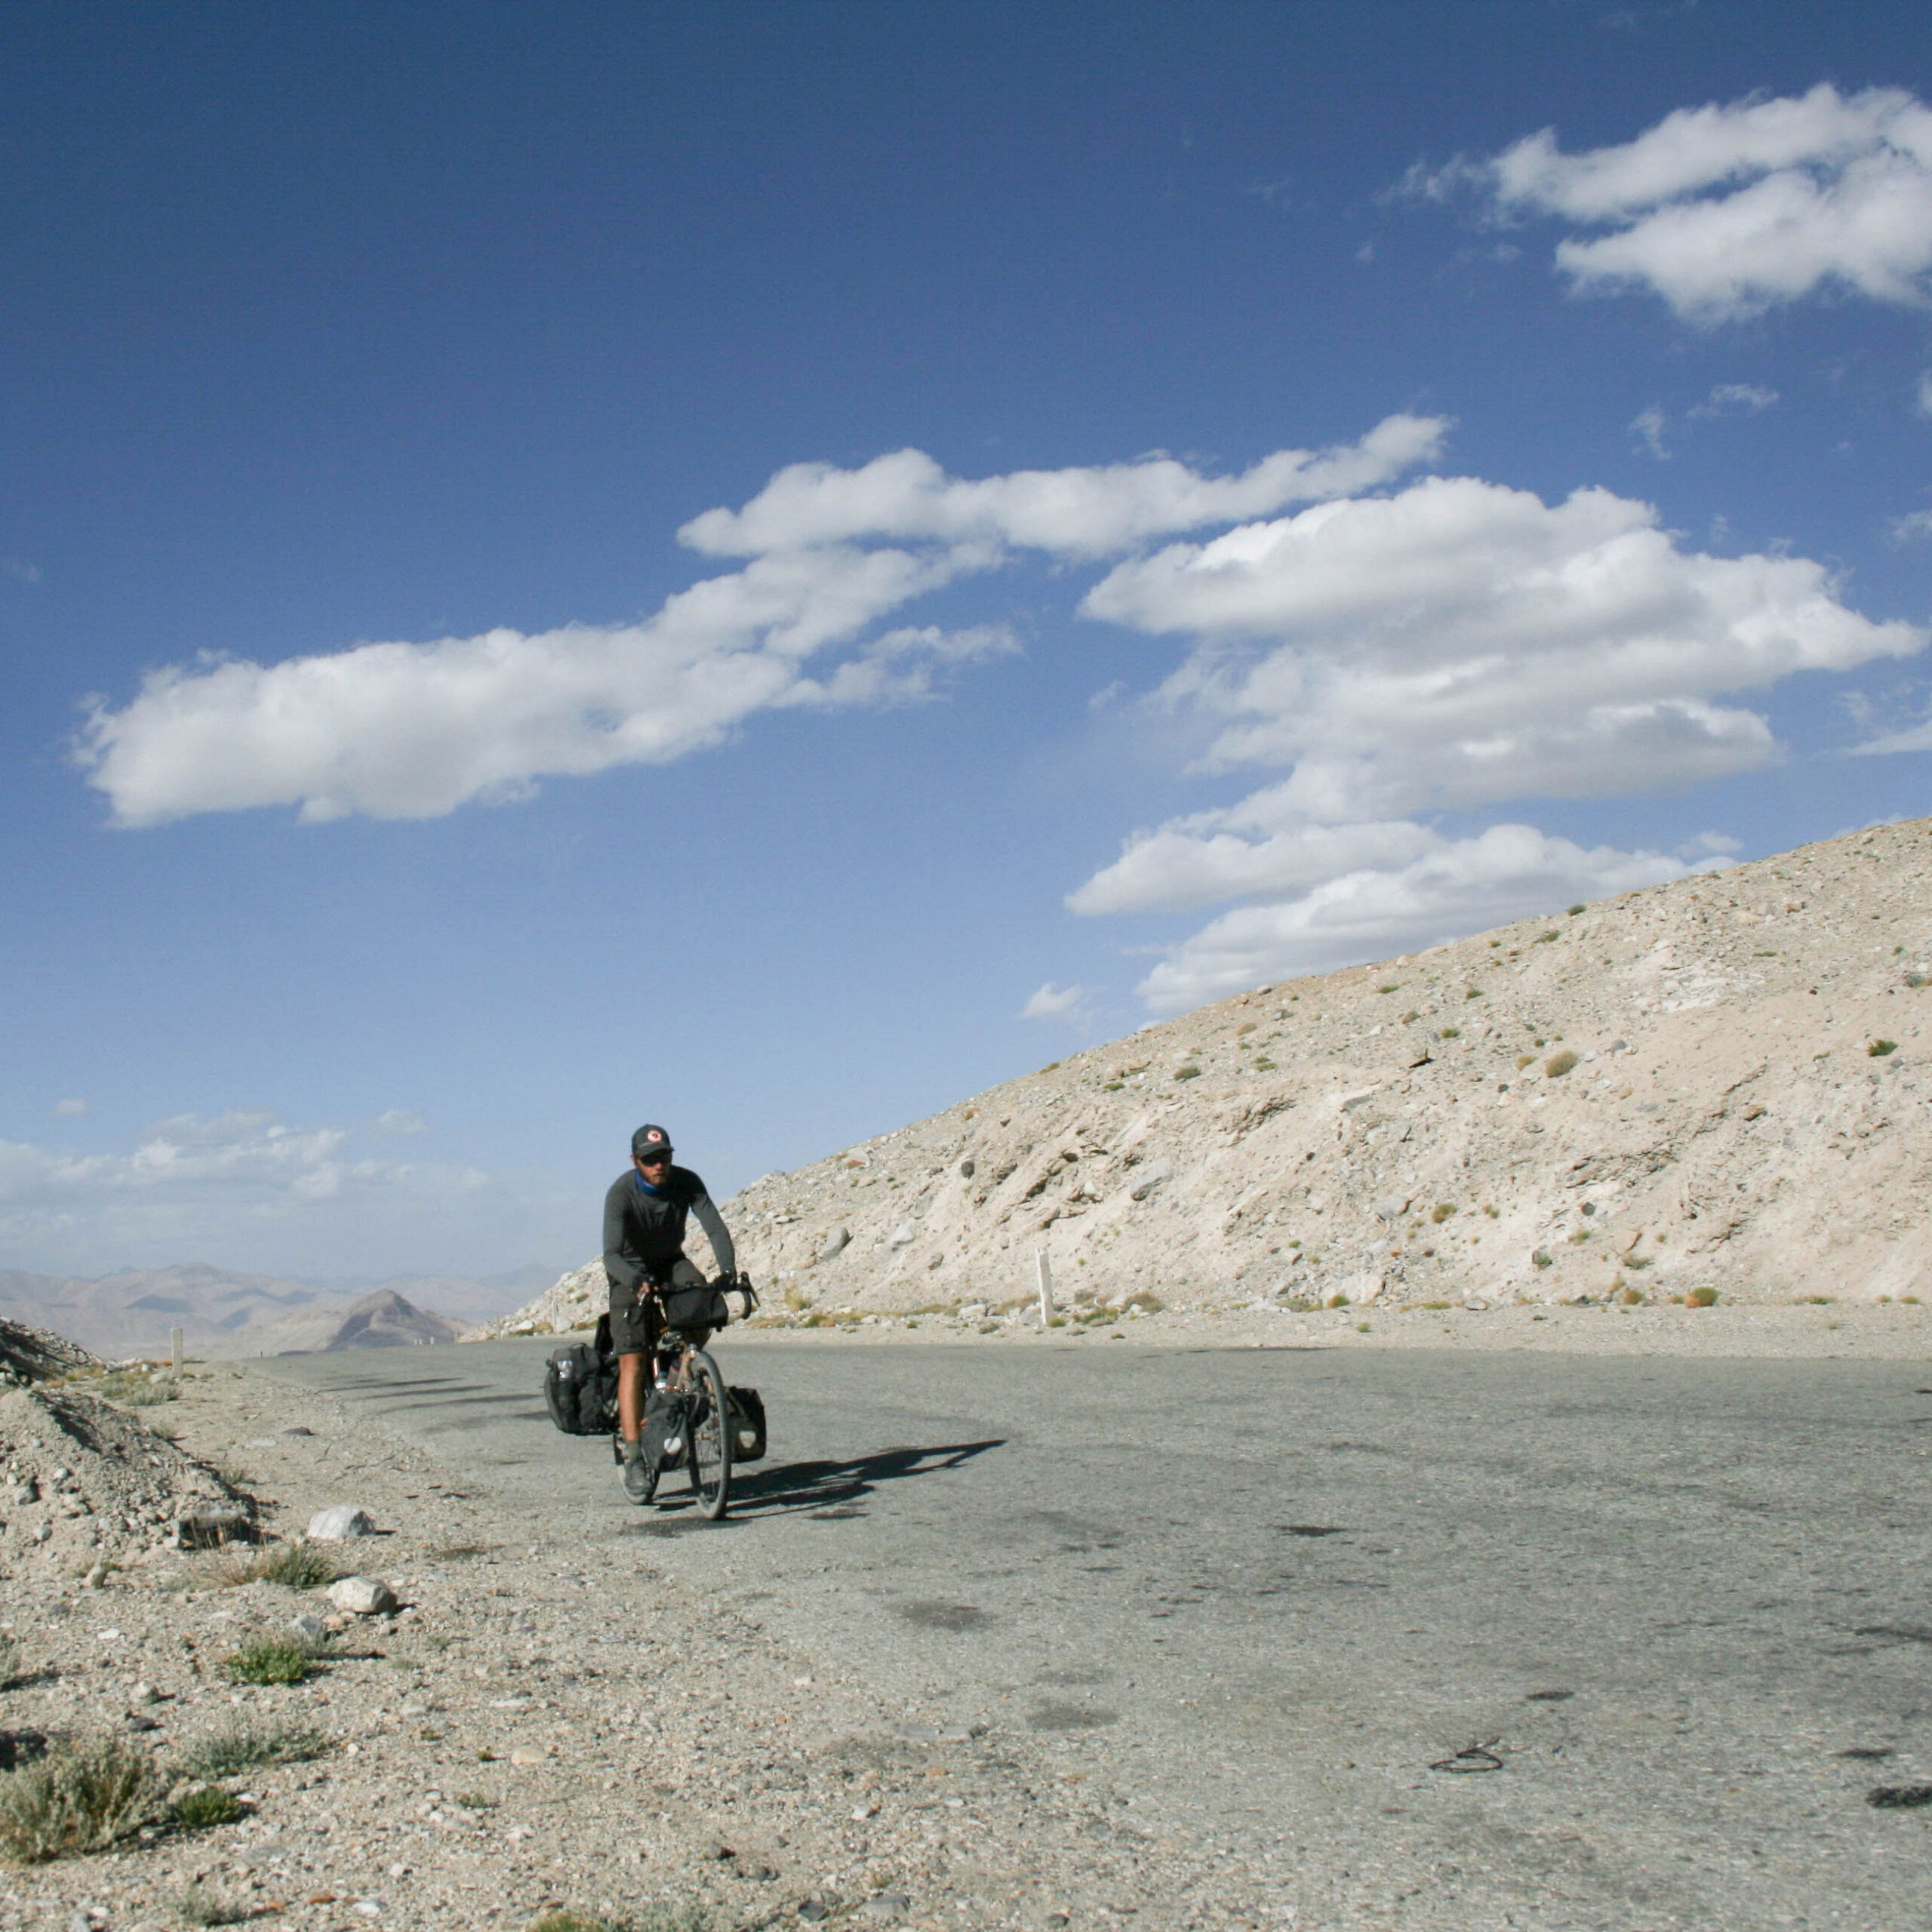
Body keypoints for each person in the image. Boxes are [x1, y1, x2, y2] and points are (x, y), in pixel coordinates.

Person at [603, 1122, 739, 1503]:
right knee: (632, 1362)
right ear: (635, 1161)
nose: (658, 1165)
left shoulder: (687, 1181)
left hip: (671, 1263)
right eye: (650, 1160)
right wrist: (636, 1282)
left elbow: (714, 1227)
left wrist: (728, 1270)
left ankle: (682, 1368)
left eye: (664, 1157)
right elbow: (611, 1254)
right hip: (629, 1271)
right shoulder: (621, 1192)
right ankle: (634, 1457)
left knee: (704, 1302)